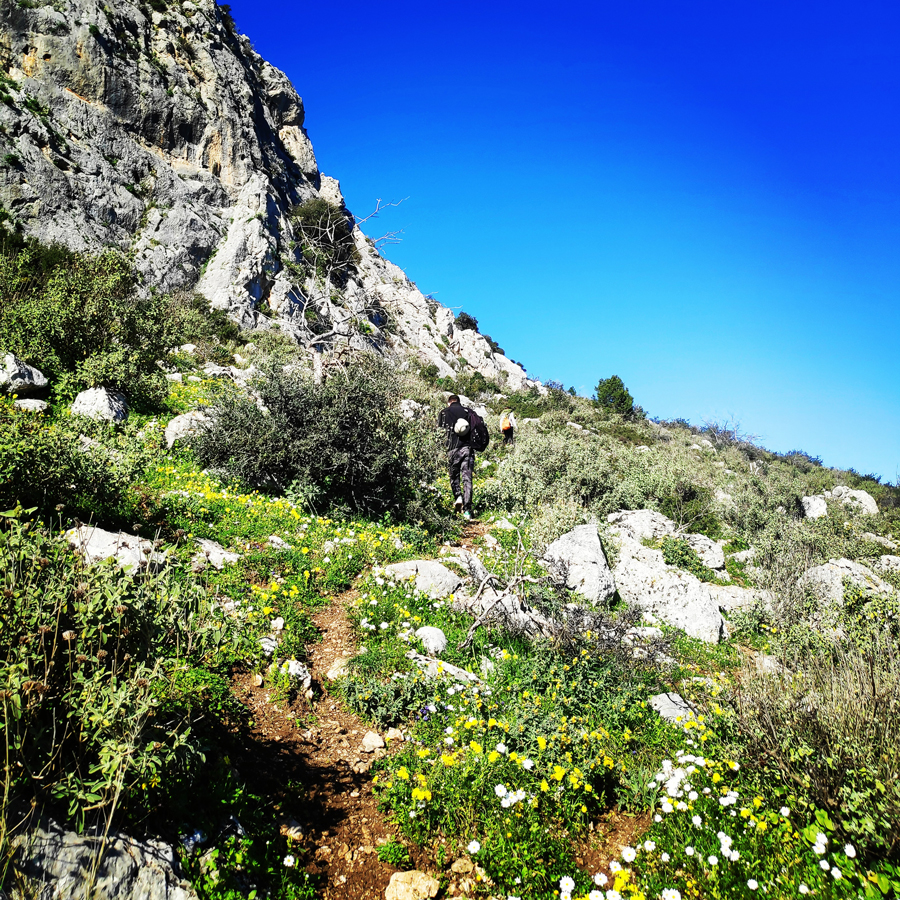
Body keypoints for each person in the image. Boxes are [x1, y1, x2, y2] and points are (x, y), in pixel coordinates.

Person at [438, 394, 475, 519]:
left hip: (452, 449)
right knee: (467, 478)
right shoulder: (467, 412)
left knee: (454, 476)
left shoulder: (444, 413)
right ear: (459, 402)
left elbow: (440, 432)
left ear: (449, 403)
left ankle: (458, 496)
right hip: (467, 449)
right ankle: (467, 511)